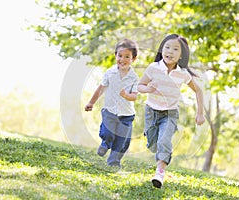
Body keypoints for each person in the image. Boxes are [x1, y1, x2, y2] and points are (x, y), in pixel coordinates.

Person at [137, 34, 205, 188]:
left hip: (170, 114)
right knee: (153, 144)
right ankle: (154, 144)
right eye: (167, 47)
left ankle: (159, 173)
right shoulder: (154, 68)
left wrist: (200, 113)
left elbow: (198, 91)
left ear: (181, 55)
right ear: (162, 49)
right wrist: (147, 89)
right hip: (151, 112)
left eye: (175, 49)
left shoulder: (183, 73)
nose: (170, 51)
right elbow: (140, 85)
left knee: (164, 141)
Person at [85, 38, 139, 169]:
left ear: (133, 59)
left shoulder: (134, 77)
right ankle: (105, 143)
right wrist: (91, 103)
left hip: (126, 115)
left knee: (122, 142)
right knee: (107, 133)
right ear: (115, 55)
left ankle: (113, 162)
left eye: (127, 56)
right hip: (109, 111)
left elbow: (134, 97)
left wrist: (126, 95)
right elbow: (101, 89)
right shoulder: (110, 73)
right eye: (120, 56)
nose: (122, 59)